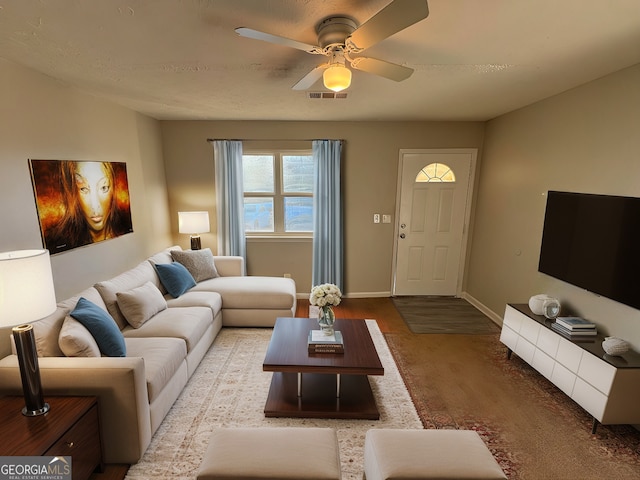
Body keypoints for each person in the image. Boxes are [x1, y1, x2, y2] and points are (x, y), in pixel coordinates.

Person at [44, 161, 132, 252]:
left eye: (104, 188)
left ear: (113, 187)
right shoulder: (61, 240)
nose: (95, 206)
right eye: (83, 189)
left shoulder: (125, 226)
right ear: (73, 191)